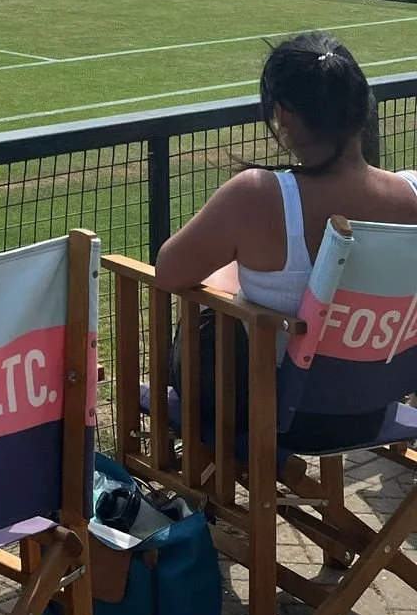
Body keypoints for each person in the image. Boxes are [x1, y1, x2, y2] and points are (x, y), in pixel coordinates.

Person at [156, 32, 417, 446]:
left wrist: (232, 272)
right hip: (376, 408)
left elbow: (168, 272)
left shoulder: (256, 196)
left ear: (284, 115)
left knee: (211, 310)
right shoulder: (412, 193)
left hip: (275, 415)